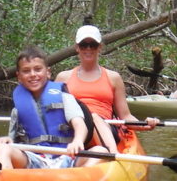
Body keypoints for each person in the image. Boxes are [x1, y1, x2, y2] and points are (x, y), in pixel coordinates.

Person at [0, 46, 109, 169]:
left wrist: (77, 141)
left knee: (101, 151)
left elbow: (80, 125)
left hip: (67, 157)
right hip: (34, 159)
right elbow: (12, 140)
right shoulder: (18, 106)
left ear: (48, 72)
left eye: (38, 69)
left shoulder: (64, 96)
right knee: (2, 148)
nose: (32, 75)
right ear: (19, 76)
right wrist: (6, 140)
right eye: (26, 71)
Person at [56, 24, 159, 152]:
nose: (88, 48)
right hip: (73, 128)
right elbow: (55, 114)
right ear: (77, 48)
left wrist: (145, 124)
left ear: (100, 47)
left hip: (106, 128)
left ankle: (111, 153)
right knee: (82, 117)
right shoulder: (63, 78)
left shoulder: (113, 78)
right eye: (84, 45)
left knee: (93, 116)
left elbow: (125, 116)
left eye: (92, 44)